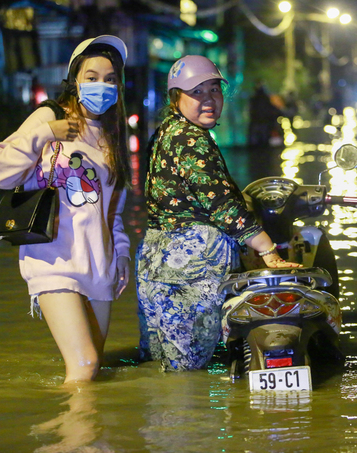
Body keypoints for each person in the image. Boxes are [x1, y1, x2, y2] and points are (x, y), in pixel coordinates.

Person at [135, 55, 301, 372]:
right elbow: (222, 204)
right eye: (197, 92)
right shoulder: (191, 140)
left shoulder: (165, 133)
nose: (209, 99)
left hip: (155, 259)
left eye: (214, 89)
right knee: (191, 367)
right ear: (175, 97)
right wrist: (267, 249)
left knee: (163, 366)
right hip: (191, 263)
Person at [0, 35, 132, 384]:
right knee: (84, 366)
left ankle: (79, 438)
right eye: (92, 77)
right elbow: (1, 171)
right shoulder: (50, 117)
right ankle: (73, 439)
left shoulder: (112, 134)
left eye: (110, 79)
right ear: (74, 79)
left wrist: (123, 254)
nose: (102, 86)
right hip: (53, 260)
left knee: (92, 370)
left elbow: (112, 211)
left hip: (99, 266)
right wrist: (44, 134)